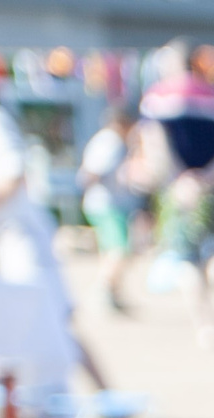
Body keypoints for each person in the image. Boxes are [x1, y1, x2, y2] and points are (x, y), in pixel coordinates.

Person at [0, 65, 108, 398]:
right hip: (8, 239)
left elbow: (11, 176)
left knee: (48, 328)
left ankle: (92, 407)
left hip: (20, 238)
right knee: (43, 329)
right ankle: (93, 405)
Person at [136, 40, 214, 345]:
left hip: (180, 189)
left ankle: (206, 326)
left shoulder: (158, 97)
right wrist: (209, 177)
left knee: (187, 259)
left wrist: (181, 179)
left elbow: (156, 144)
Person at [78, 106, 150, 314]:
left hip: (111, 203)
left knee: (113, 251)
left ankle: (113, 293)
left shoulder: (116, 141)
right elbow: (90, 174)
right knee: (119, 250)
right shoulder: (109, 141)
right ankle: (103, 292)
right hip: (106, 204)